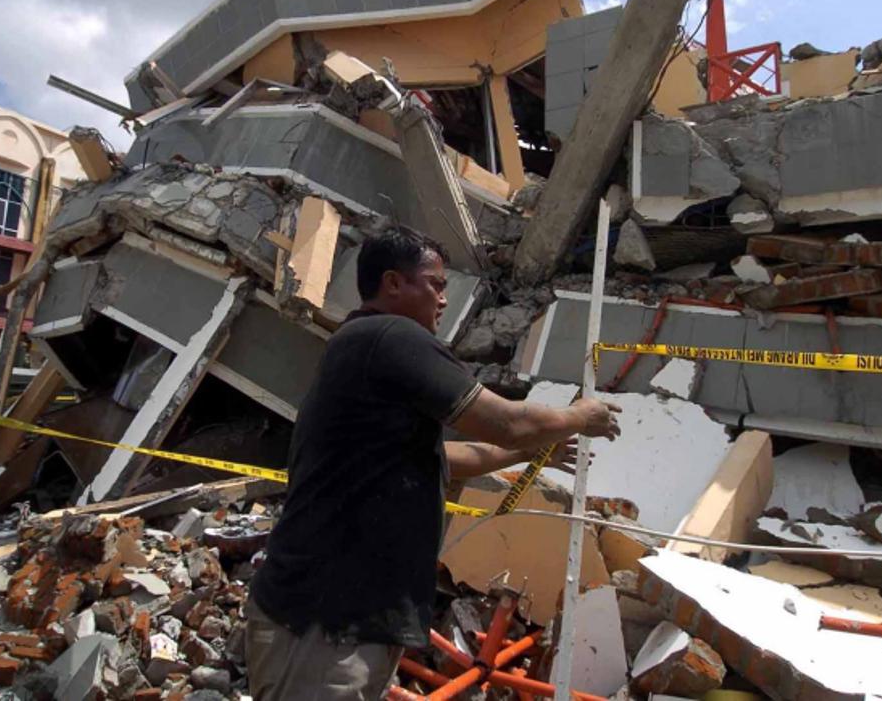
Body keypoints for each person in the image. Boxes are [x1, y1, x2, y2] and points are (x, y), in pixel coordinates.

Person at [246, 226, 621, 700]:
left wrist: (526, 453)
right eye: (435, 284)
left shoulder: (365, 349)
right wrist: (578, 416)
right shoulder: (389, 335)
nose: (444, 299)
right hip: (325, 624)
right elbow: (504, 421)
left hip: (347, 620)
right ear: (393, 284)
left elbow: (447, 455)